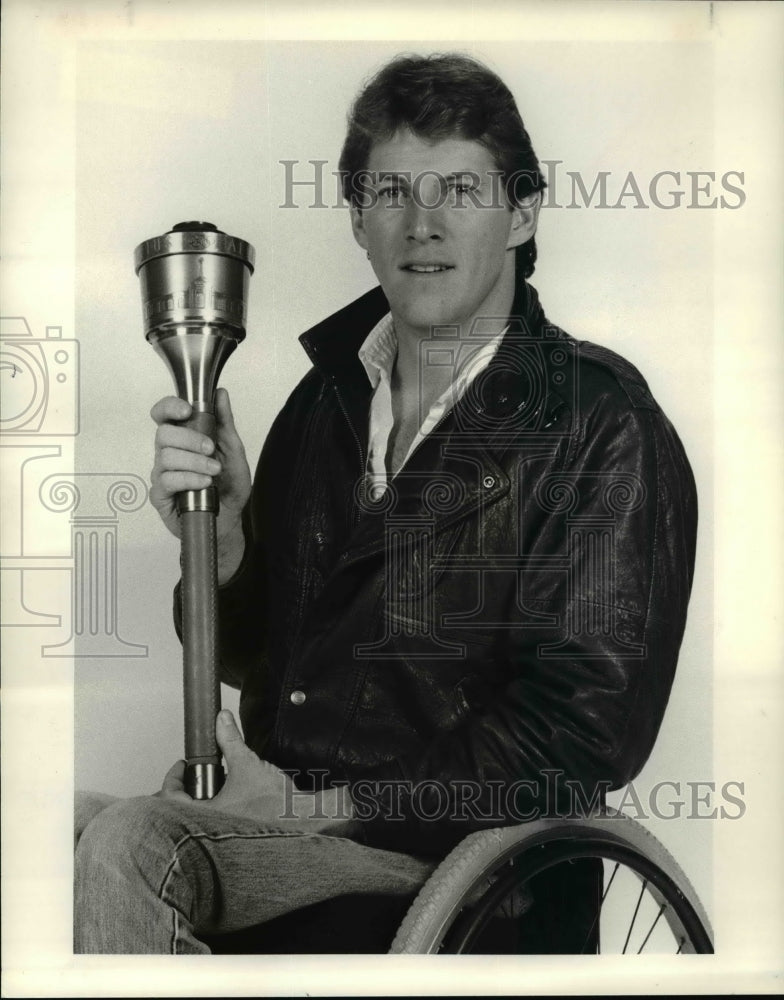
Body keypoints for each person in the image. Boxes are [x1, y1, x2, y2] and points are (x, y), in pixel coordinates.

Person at [74, 52, 698, 954]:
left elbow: (578, 737)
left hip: (463, 867)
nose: (423, 223)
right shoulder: (326, 399)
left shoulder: (601, 425)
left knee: (135, 847)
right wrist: (221, 552)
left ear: (522, 211)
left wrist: (314, 806)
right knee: (53, 834)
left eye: (459, 190)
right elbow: (265, 659)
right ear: (358, 218)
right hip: (292, 833)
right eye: (391, 190)